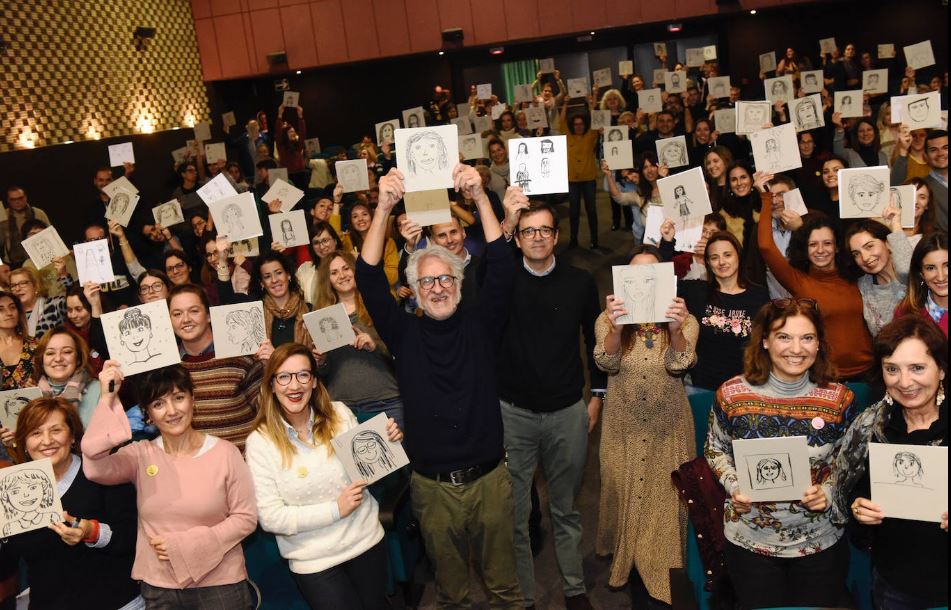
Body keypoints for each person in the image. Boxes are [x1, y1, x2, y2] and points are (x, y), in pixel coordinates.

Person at [355, 164, 526, 608]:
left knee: (506, 590)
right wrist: (384, 206)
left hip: (490, 479)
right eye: (426, 280)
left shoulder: (481, 325)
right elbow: (369, 278)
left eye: (445, 278)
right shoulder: (403, 333)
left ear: (459, 282)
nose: (437, 287)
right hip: (430, 488)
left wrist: (480, 198)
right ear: (413, 289)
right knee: (451, 595)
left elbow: (503, 265)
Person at [705, 298, 857, 608]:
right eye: (784, 337)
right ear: (764, 341)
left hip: (819, 543)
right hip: (750, 542)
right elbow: (714, 449)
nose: (796, 348)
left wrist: (828, 491)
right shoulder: (732, 394)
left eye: (807, 338)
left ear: (819, 345)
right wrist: (734, 486)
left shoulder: (839, 399)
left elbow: (849, 462)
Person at [497, 201, 604, 610]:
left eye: (545, 230)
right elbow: (474, 276)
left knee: (566, 510)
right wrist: (505, 220)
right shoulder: (503, 280)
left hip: (566, 413)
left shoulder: (579, 282)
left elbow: (595, 343)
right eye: (529, 231)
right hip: (513, 413)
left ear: (556, 236)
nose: (537, 237)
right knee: (517, 513)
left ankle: (575, 589)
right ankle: (524, 596)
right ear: (518, 238)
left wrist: (596, 397)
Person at [82, 363, 257, 607]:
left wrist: (186, 545)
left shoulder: (225, 453)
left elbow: (246, 518)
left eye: (178, 398)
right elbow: (93, 466)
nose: (171, 411)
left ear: (193, 400)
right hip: (159, 587)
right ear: (148, 414)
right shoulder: (140, 455)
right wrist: (108, 398)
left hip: (220, 584)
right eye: (158, 404)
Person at [245, 343, 403, 608]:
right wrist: (335, 510)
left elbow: (367, 476)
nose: (294, 386)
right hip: (313, 560)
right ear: (271, 385)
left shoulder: (339, 413)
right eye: (284, 377)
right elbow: (271, 518)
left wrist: (386, 445)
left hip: (364, 539)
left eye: (303, 375)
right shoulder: (260, 442)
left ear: (315, 381)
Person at [594, 244, 697, 606]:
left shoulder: (684, 319)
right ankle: (627, 562)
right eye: (634, 274)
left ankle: (661, 576)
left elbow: (679, 364)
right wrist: (618, 328)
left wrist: (675, 329)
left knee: (665, 504)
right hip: (623, 426)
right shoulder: (608, 318)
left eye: (650, 273)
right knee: (622, 492)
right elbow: (607, 363)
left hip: (668, 427)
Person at [830, 315, 948, 609]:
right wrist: (859, 506)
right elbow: (849, 487)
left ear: (942, 370)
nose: (905, 382)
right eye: (892, 369)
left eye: (917, 368)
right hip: (894, 583)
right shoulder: (871, 424)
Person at [0, 397, 140, 610]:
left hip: (117, 602)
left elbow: (132, 537)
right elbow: (6, 567)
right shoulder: (13, 490)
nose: (46, 441)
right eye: (36, 433)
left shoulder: (102, 472)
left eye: (56, 430)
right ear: (25, 443)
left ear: (73, 436)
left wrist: (92, 532)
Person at [755, 172, 874, 379]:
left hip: (869, 374)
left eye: (827, 243)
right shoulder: (799, 281)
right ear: (805, 249)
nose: (821, 250)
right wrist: (765, 197)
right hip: (826, 376)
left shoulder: (856, 275)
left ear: (837, 247)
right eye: (813, 244)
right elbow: (766, 246)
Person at [168, 284, 264, 450]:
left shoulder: (240, 357)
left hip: (243, 464)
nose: (185, 319)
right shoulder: (167, 369)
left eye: (194, 311)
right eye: (177, 314)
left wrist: (271, 368)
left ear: (208, 315)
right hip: (195, 467)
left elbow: (267, 411)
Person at [314, 250, 403, 429]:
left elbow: (402, 350)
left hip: (386, 402)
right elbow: (323, 373)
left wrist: (374, 346)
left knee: (400, 457)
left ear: (355, 270)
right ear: (328, 280)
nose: (342, 275)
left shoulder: (378, 304)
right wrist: (320, 361)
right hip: (342, 408)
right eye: (334, 272)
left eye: (346, 268)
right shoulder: (321, 317)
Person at [679, 232, 770, 391]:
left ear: (738, 257)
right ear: (707, 262)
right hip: (703, 389)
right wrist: (666, 243)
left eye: (727, 255)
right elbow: (661, 283)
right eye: (714, 257)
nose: (721, 262)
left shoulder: (759, 295)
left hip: (746, 389)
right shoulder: (696, 291)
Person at [844, 209, 914, 336]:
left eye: (869, 246)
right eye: (856, 254)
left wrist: (896, 225)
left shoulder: (909, 279)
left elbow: (907, 269)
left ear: (888, 243)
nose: (865, 258)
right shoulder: (863, 284)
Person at [30, 326, 101, 425]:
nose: (58, 358)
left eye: (67, 352)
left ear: (78, 358)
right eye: (50, 353)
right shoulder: (31, 394)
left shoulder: (99, 390)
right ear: (42, 360)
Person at [559, 97, 601, 249]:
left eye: (581, 124)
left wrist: (591, 106)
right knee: (574, 211)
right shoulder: (567, 136)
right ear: (572, 125)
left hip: (589, 179)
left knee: (591, 210)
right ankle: (573, 239)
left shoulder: (590, 136)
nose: (578, 126)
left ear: (585, 125)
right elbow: (562, 121)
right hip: (572, 181)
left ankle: (594, 240)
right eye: (576, 124)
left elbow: (596, 122)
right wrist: (565, 104)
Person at [892, 130, 948, 232]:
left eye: (946, 148)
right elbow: (894, 189)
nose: (940, 153)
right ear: (925, 155)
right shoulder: (923, 187)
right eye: (933, 150)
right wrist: (903, 151)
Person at [896, 232, 948, 336]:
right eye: (930, 268)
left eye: (947, 265)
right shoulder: (906, 313)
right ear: (921, 274)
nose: (941, 277)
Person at [0, 186, 51, 268]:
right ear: (8, 201)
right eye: (13, 199)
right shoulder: (3, 216)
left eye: (20, 198)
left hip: (37, 257)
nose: (17, 202)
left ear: (25, 198)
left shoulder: (38, 213)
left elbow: (50, 236)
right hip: (12, 261)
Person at [10, 266, 69, 337]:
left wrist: (64, 275)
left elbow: (75, 298)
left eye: (23, 283)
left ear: (35, 286)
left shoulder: (55, 304)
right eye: (13, 285)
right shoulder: (12, 315)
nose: (17, 288)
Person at [296, 221, 342, 305]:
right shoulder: (305, 270)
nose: (321, 246)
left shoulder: (349, 265)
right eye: (316, 243)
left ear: (335, 241)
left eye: (325, 240)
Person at [0, 291, 38, 391]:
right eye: (1, 309)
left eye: (12, 307)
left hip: (32, 405)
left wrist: (39, 385)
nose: (9, 313)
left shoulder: (35, 345)